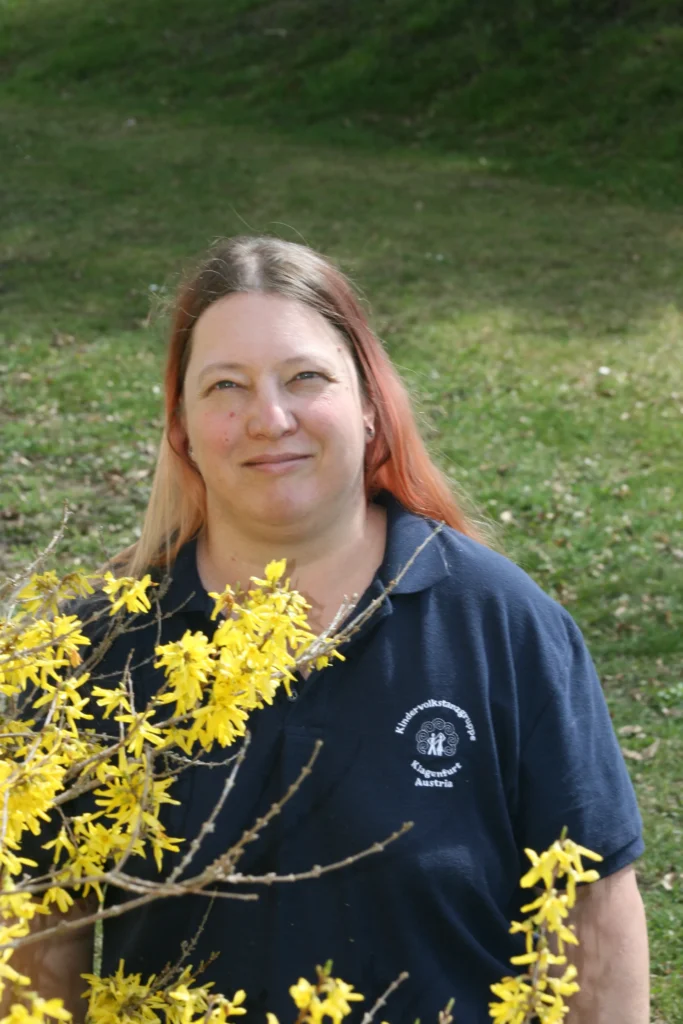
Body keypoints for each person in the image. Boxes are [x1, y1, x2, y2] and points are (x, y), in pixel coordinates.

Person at [15, 237, 649, 1023]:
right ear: (181, 427)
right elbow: (37, 951)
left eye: (305, 378)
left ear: (369, 402)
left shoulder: (503, 628)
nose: (269, 419)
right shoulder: (93, 653)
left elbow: (594, 923)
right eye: (225, 386)